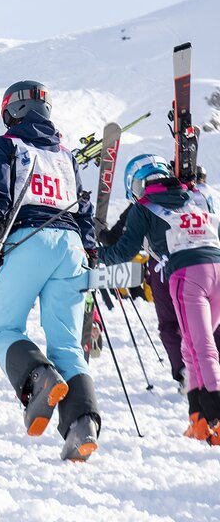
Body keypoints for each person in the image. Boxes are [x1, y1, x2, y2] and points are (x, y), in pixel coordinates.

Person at [0, 81, 100, 461]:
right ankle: (82, 426)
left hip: (30, 240)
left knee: (2, 330)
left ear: (11, 111)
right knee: (66, 343)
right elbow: (84, 210)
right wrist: (90, 251)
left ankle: (38, 377)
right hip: (72, 248)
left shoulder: (5, 145)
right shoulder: (66, 155)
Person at [99, 154, 220, 445]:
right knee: (192, 347)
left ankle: (215, 415)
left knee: (200, 347)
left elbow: (124, 251)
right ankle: (199, 417)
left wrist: (94, 255)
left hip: (186, 274)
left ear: (137, 184)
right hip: (217, 268)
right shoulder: (196, 195)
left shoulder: (144, 207)